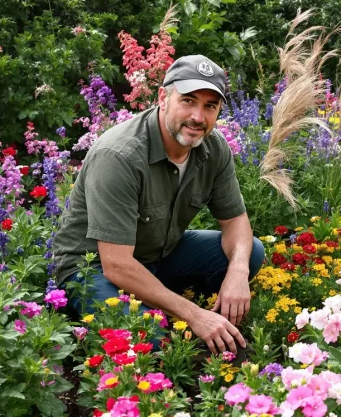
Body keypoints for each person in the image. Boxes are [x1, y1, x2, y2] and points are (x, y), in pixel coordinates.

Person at [52, 55, 265, 355]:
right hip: (93, 266)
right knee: (149, 338)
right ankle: (100, 320)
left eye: (210, 106)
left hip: (158, 255)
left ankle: (158, 300)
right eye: (188, 101)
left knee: (250, 252)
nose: (198, 117)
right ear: (163, 97)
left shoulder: (213, 147)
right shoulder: (120, 156)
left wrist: (238, 273)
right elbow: (116, 264)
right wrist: (194, 315)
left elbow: (235, 221)